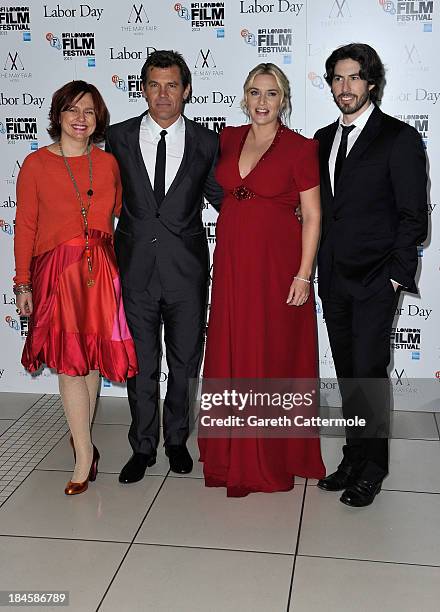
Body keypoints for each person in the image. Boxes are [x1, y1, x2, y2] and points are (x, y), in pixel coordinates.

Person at [198, 63, 326, 497]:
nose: (262, 101)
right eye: (254, 92)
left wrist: (303, 274)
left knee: (270, 356)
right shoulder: (228, 138)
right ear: (244, 96)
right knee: (232, 351)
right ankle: (229, 453)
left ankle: (268, 457)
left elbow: (312, 215)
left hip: (277, 267)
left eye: (271, 93)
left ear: (284, 99)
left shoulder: (301, 148)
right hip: (233, 264)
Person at [315, 43, 428, 507]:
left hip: (378, 279)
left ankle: (373, 468)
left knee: (370, 374)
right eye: (337, 79)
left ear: (372, 83)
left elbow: (413, 216)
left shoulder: (398, 137)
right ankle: (352, 457)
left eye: (354, 78)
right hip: (334, 278)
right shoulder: (321, 139)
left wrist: (397, 277)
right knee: (347, 375)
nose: (345, 87)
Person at [14, 81, 138, 496]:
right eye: (72, 110)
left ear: (98, 118)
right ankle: (83, 453)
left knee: (92, 362)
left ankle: (81, 438)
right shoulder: (35, 165)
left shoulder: (107, 164)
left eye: (88, 110)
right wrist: (22, 282)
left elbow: (122, 211)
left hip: (100, 271)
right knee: (70, 362)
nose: (80, 118)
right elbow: (26, 227)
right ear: (58, 116)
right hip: (56, 271)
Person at [106, 50, 223, 483]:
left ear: (186, 90)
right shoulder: (117, 138)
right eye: (154, 85)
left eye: (172, 85)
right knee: (141, 363)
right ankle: (142, 447)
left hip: (187, 272)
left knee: (185, 360)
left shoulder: (208, 142)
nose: (162, 94)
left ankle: (176, 440)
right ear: (142, 88)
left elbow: (222, 197)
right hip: (134, 270)